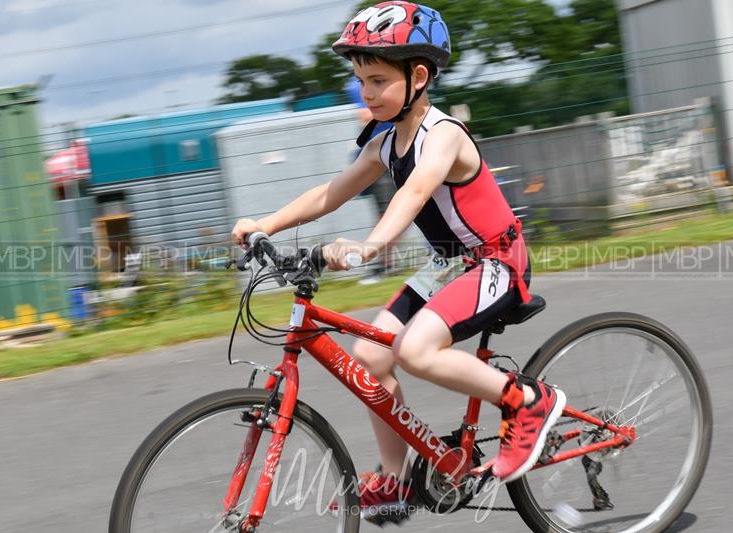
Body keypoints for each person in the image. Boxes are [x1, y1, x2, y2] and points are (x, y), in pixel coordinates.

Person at [232, 1, 566, 524]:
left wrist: (369, 246)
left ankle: (527, 400)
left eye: (377, 80)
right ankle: (393, 477)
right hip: (451, 265)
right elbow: (330, 193)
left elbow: (412, 194)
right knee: (369, 356)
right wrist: (264, 225)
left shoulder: (444, 135)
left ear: (418, 76)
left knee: (413, 350)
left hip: (497, 261)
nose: (365, 93)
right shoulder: (386, 142)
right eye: (360, 79)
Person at [344, 75, 397, 283]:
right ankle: (383, 264)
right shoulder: (355, 85)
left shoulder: (373, 81)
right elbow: (365, 116)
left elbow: (366, 116)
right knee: (385, 213)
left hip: (390, 152)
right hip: (379, 155)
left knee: (389, 212)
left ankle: (385, 264)